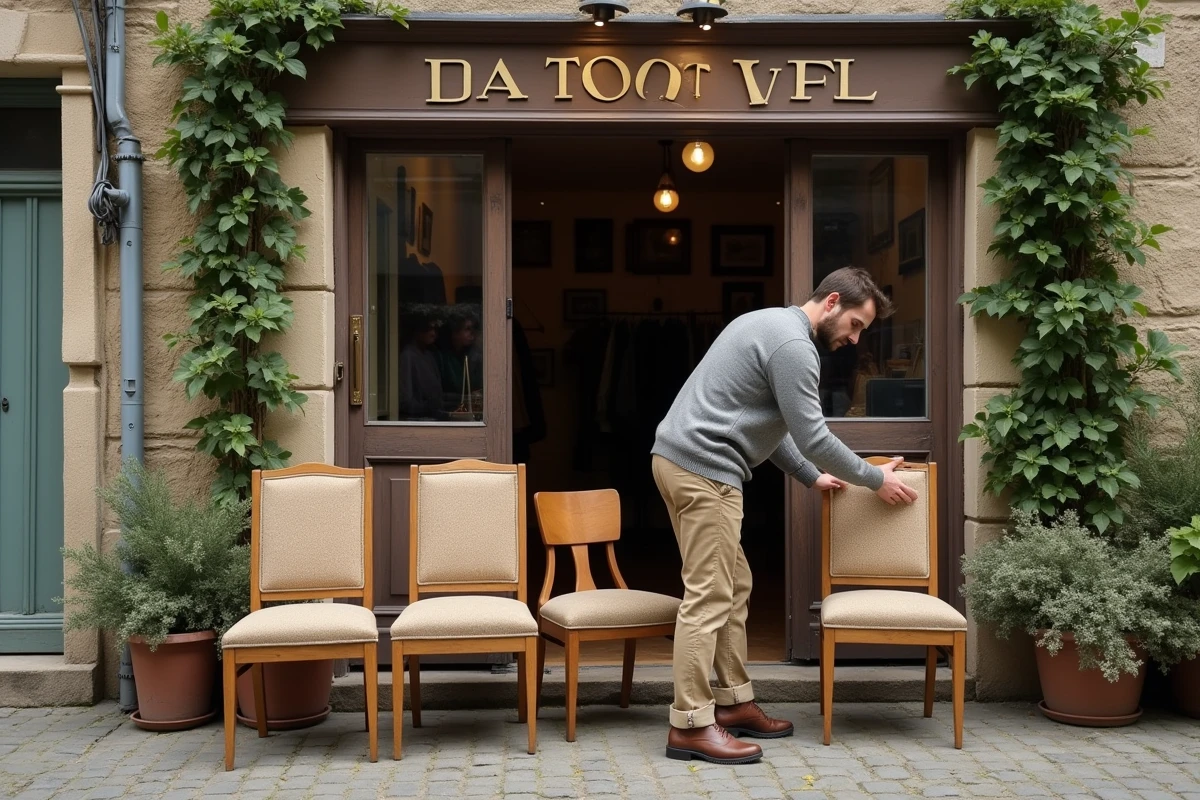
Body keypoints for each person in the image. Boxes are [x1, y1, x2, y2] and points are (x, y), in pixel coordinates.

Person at [651, 266, 919, 765]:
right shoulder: (793, 346)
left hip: (683, 460)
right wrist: (875, 478)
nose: (855, 338)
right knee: (708, 596)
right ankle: (689, 724)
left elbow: (769, 423)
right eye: (856, 324)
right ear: (833, 301)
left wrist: (809, 475)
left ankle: (732, 704)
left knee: (733, 586)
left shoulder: (770, 324)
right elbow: (814, 434)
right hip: (704, 469)